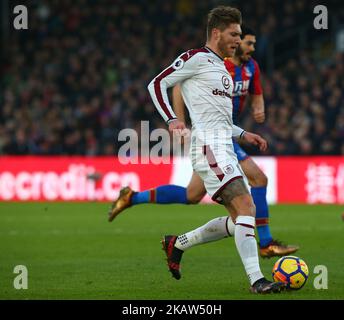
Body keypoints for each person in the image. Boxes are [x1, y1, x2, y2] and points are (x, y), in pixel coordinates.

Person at [108, 26, 299, 258]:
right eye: (246, 42)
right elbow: (178, 86)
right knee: (259, 179)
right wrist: (178, 121)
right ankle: (266, 243)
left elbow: (257, 95)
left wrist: (259, 109)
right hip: (213, 137)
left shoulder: (251, 67)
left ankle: (133, 198)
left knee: (192, 195)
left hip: (227, 132)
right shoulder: (217, 64)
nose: (251, 48)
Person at [146, 6, 285, 293]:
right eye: (234, 34)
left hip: (226, 146)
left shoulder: (222, 68)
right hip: (209, 147)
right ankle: (257, 281)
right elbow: (157, 83)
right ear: (216, 32)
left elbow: (220, 120)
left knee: (239, 220)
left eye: (240, 34)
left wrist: (245, 134)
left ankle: (177, 243)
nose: (238, 39)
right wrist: (172, 119)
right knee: (247, 206)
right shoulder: (195, 58)